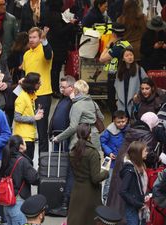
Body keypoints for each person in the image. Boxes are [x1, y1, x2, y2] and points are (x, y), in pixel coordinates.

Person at [107, 112, 158, 218]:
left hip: (121, 159)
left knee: (118, 188)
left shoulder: (131, 129)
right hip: (133, 163)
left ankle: (114, 216)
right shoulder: (147, 134)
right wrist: (157, 158)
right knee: (130, 190)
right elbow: (147, 155)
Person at [67, 124, 109, 225]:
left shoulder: (72, 152)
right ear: (89, 135)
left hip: (77, 191)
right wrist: (106, 172)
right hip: (90, 193)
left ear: (77, 135)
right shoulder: (92, 153)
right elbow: (95, 178)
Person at [21, 26, 53, 154]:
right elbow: (26, 72)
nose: (32, 40)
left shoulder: (45, 50)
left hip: (43, 94)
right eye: (30, 37)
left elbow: (48, 54)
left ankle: (43, 160)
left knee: (41, 128)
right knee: (28, 127)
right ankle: (28, 157)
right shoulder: (27, 54)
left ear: (40, 38)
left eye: (35, 37)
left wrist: (45, 41)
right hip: (28, 95)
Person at [47, 76, 76, 216]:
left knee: (65, 171)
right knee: (58, 170)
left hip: (65, 140)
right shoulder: (63, 99)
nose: (61, 89)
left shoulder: (73, 101)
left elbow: (72, 123)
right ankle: (58, 201)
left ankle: (65, 203)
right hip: (57, 139)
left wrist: (60, 136)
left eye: (64, 87)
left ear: (72, 87)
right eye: (61, 87)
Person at [0, 135, 40, 225]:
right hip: (18, 202)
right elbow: (34, 179)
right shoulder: (22, 161)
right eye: (24, 142)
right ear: (21, 146)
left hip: (7, 203)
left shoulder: (6, 157)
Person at [53, 80, 104, 151]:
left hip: (80, 137)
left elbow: (73, 127)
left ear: (76, 91)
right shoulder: (93, 103)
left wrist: (58, 138)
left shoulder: (77, 105)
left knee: (78, 160)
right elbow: (101, 118)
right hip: (94, 136)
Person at [44, 0, 77, 97]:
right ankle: (55, 90)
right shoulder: (56, 15)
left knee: (54, 69)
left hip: (53, 44)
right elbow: (59, 32)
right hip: (57, 46)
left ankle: (54, 89)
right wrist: (70, 24)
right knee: (56, 69)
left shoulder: (49, 13)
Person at [99, 22, 131, 115]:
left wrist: (108, 45)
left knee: (113, 103)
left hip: (115, 77)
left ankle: (116, 121)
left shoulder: (117, 47)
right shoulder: (126, 44)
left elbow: (102, 58)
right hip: (123, 75)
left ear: (113, 34)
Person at [13, 73, 44, 161]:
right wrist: (34, 118)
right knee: (26, 164)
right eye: (38, 83)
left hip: (29, 136)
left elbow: (27, 113)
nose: (40, 84)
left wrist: (36, 113)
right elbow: (17, 117)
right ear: (32, 84)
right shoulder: (22, 98)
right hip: (23, 138)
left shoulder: (30, 96)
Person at [100, 110, 128, 204]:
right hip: (111, 160)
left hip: (124, 160)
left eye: (123, 121)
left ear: (126, 120)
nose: (121, 124)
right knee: (109, 180)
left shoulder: (128, 130)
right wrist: (109, 152)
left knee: (122, 180)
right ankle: (105, 199)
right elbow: (103, 142)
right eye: (118, 122)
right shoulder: (109, 130)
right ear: (113, 121)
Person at [120, 141, 149, 225]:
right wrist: (137, 204)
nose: (147, 153)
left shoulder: (141, 166)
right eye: (145, 151)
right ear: (138, 153)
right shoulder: (129, 170)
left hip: (141, 204)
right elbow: (123, 191)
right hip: (133, 207)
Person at [115, 47, 147, 118]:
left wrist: (139, 94)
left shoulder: (139, 69)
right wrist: (117, 99)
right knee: (122, 120)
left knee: (133, 118)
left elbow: (147, 83)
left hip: (135, 99)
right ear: (123, 59)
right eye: (127, 56)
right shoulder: (120, 71)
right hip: (122, 99)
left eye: (131, 55)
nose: (130, 57)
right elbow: (116, 86)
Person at [6, 32, 30, 126]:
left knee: (14, 105)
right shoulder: (18, 54)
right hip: (17, 83)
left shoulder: (14, 52)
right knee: (16, 104)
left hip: (17, 83)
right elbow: (10, 67)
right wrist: (19, 67)